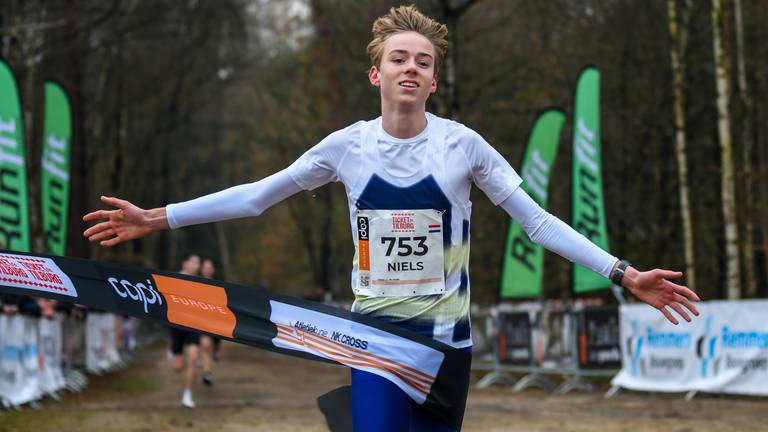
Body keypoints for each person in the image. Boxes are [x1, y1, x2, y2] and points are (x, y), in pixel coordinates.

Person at [83, 5, 700, 431]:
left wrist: (622, 273)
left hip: (448, 348)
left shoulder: (464, 147)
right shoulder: (346, 148)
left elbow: (536, 223)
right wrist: (156, 218)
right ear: (377, 74)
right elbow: (256, 196)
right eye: (400, 58)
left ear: (433, 80)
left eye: (423, 62)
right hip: (376, 342)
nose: (412, 67)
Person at [170, 252, 203, 408]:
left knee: (194, 358)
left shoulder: (201, 282)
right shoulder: (173, 279)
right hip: (176, 326)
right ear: (185, 264)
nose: (196, 266)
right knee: (177, 367)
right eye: (194, 262)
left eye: (198, 263)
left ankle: (188, 394)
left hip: (193, 325)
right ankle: (173, 354)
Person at [199, 258, 221, 378]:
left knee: (215, 343)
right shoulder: (195, 283)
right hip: (201, 320)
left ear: (213, 270)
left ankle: (217, 350)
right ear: (202, 270)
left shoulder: (218, 285)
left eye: (209, 267)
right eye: (205, 267)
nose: (207, 270)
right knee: (205, 345)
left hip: (215, 320)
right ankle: (207, 372)